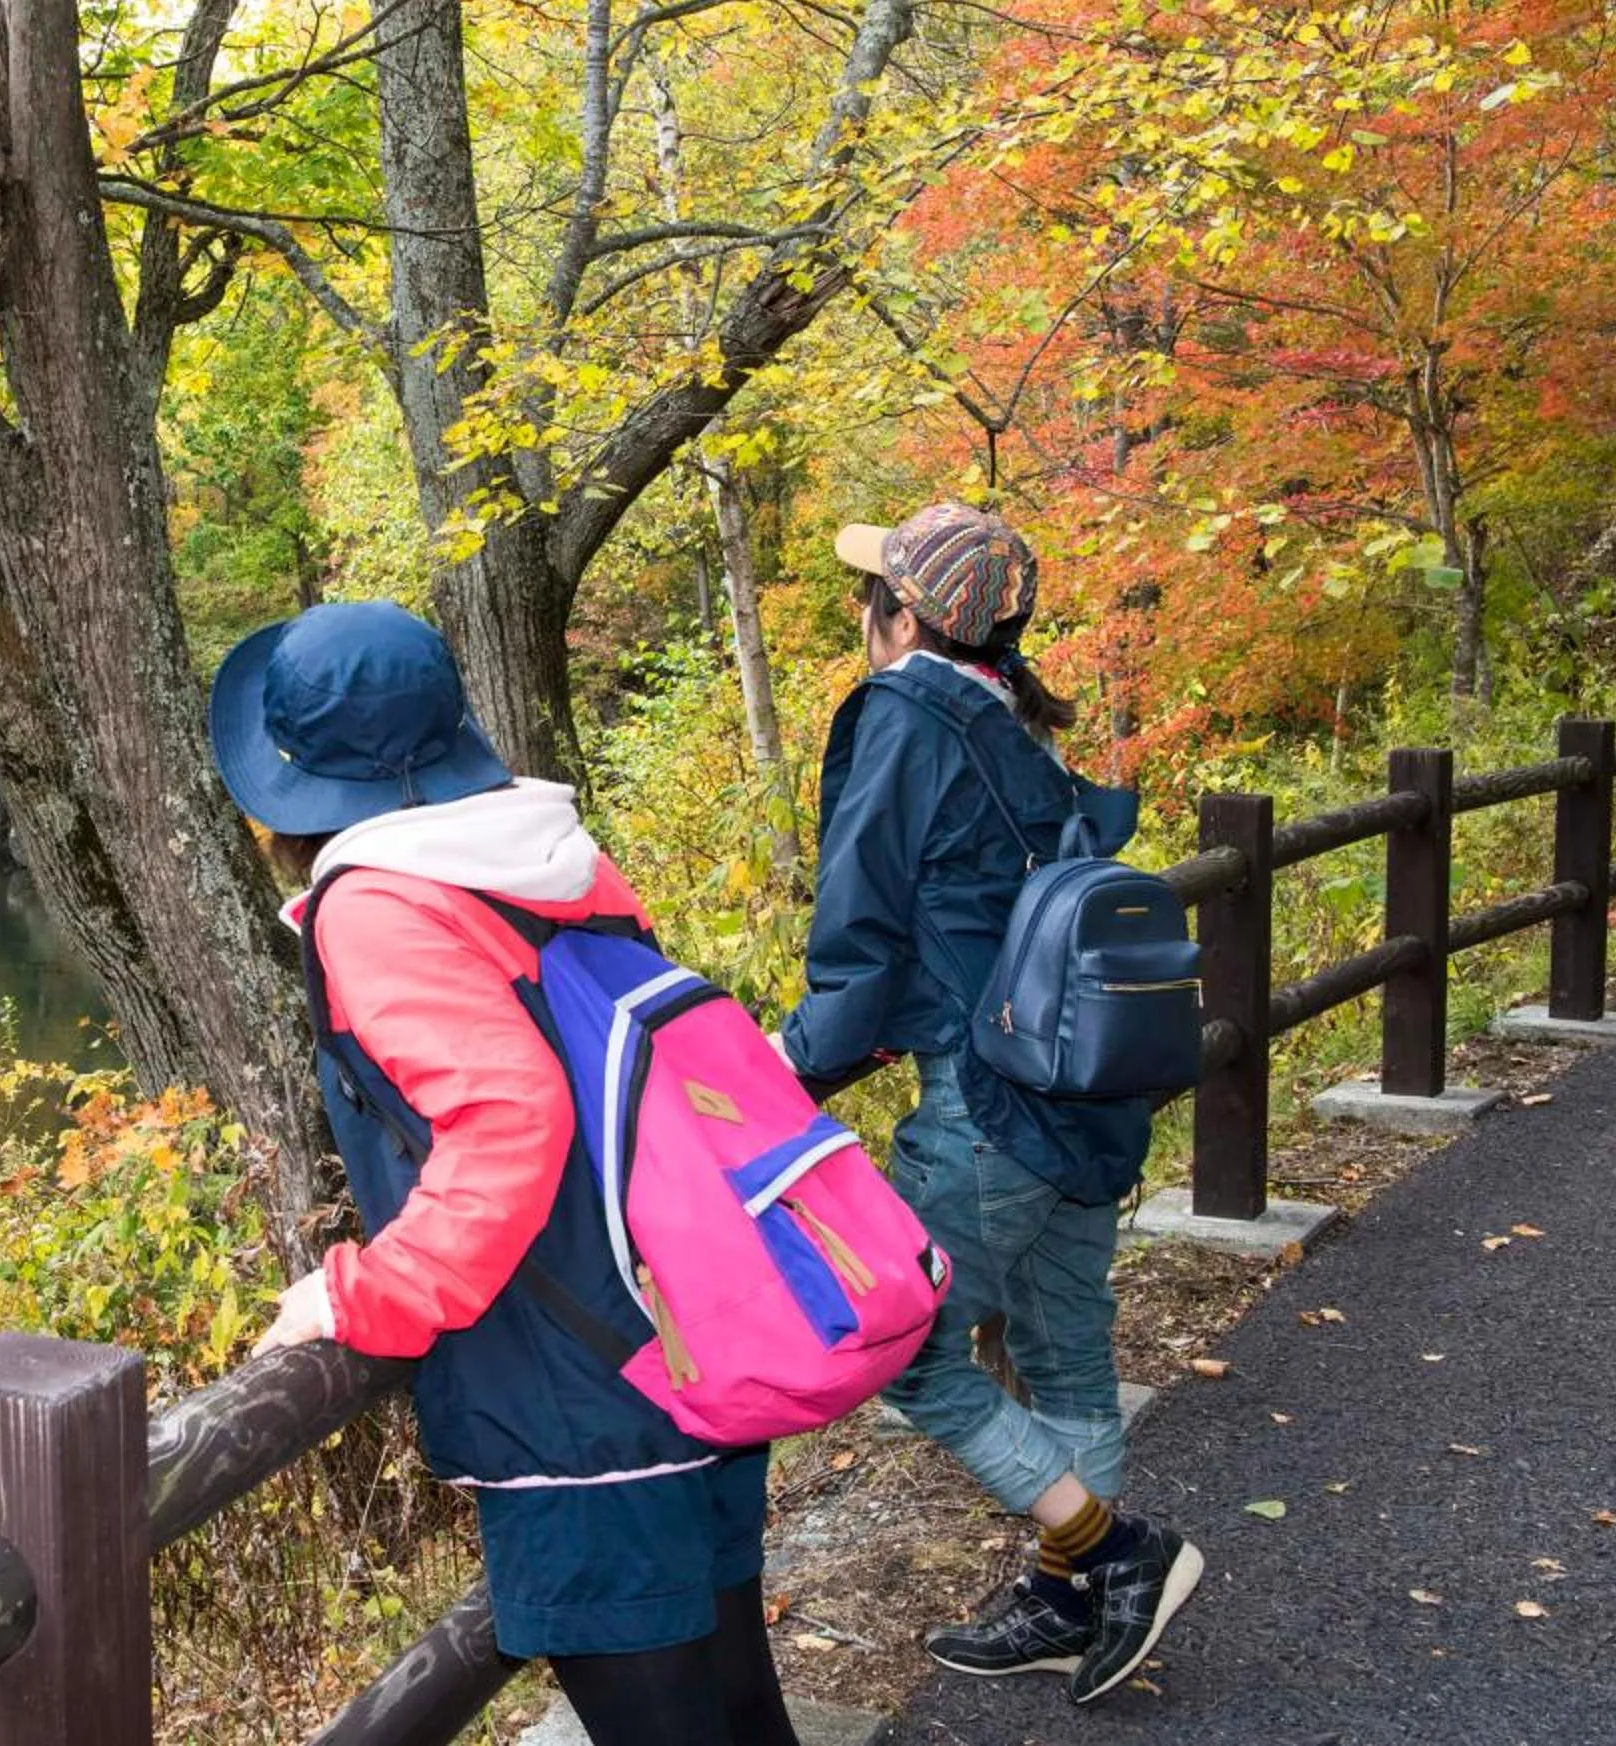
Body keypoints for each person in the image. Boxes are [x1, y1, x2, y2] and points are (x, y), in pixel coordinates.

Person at [213, 600, 798, 1746]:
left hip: (578, 1398)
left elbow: (510, 1118)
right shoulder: (552, 857)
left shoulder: (376, 904)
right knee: (735, 1710)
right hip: (683, 1334)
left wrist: (362, 1291)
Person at [779, 502, 1202, 1706]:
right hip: (1082, 1090)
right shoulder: (1016, 720)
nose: (864, 612)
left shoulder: (905, 716)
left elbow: (858, 936)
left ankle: (1112, 1549)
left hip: (989, 1105)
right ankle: (1079, 1603)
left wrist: (784, 1070)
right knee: (1065, 1346)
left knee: (897, 1343)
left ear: (902, 616)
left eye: (872, 594)